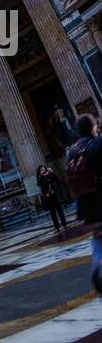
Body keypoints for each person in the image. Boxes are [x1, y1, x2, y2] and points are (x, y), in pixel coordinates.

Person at [66, 114, 102, 294]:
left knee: (98, 236)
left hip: (85, 204)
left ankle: (97, 266)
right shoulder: (97, 143)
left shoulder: (72, 150)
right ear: (92, 127)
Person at [36, 163, 68, 233]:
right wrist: (42, 176)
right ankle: (57, 228)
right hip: (48, 198)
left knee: (60, 211)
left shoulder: (50, 174)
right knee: (53, 213)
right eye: (41, 170)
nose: (42, 170)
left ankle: (64, 225)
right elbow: (39, 184)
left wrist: (52, 172)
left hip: (55, 195)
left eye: (43, 169)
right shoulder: (40, 178)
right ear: (39, 172)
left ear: (45, 168)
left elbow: (56, 179)